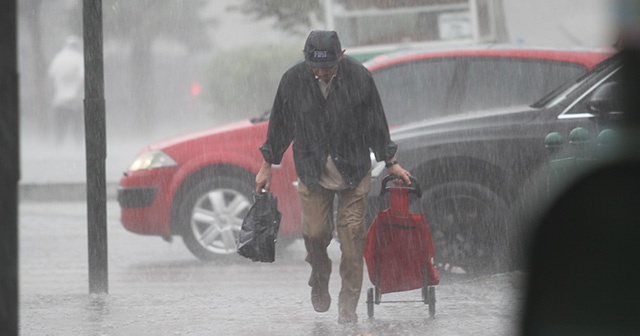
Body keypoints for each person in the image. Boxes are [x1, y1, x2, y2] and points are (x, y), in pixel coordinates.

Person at [255, 30, 411, 324]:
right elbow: (279, 126)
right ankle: (319, 279)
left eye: (329, 66)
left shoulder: (359, 78)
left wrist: (391, 162)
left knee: (352, 236)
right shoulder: (293, 81)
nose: (323, 72)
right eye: (317, 66)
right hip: (313, 171)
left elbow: (377, 122)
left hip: (353, 169)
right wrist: (267, 165)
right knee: (315, 234)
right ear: (307, 59)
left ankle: (347, 306)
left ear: (341, 56)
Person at [48, 35, 84, 143]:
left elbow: (51, 75)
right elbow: (82, 77)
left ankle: (58, 147)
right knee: (77, 127)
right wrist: (77, 91)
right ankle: (78, 146)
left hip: (60, 100)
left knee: (60, 127)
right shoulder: (79, 57)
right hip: (75, 100)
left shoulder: (58, 57)